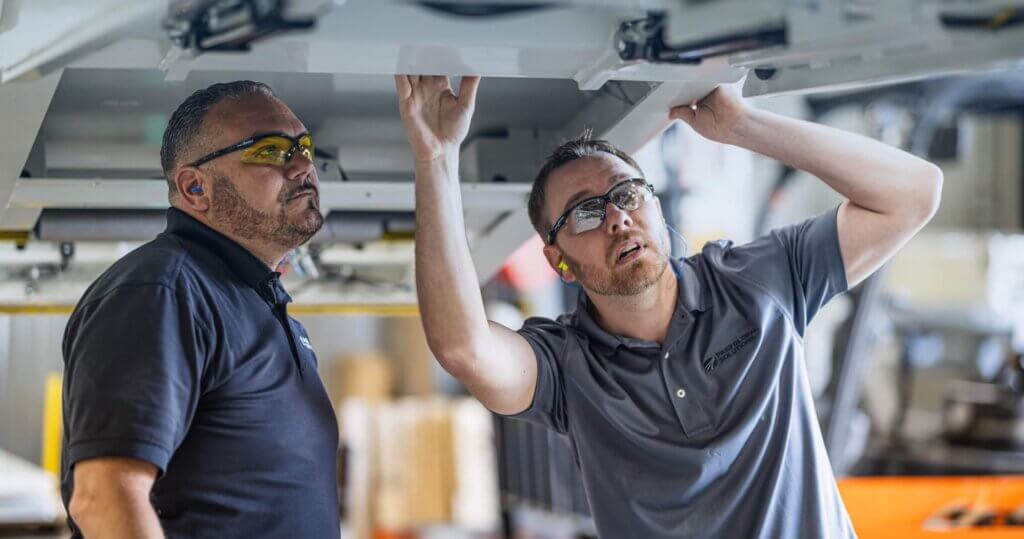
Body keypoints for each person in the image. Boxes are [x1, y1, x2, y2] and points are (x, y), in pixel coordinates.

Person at [394, 74, 942, 538]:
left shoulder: (758, 280)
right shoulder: (567, 370)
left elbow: (915, 193)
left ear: (654, 205)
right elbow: (464, 346)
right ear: (560, 263)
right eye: (585, 213)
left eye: (627, 194)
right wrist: (436, 161)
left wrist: (742, 126)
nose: (616, 218)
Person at [61, 81, 339, 539]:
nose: (302, 165)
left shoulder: (254, 302)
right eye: (270, 150)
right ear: (194, 187)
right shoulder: (163, 291)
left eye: (304, 147)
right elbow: (104, 498)